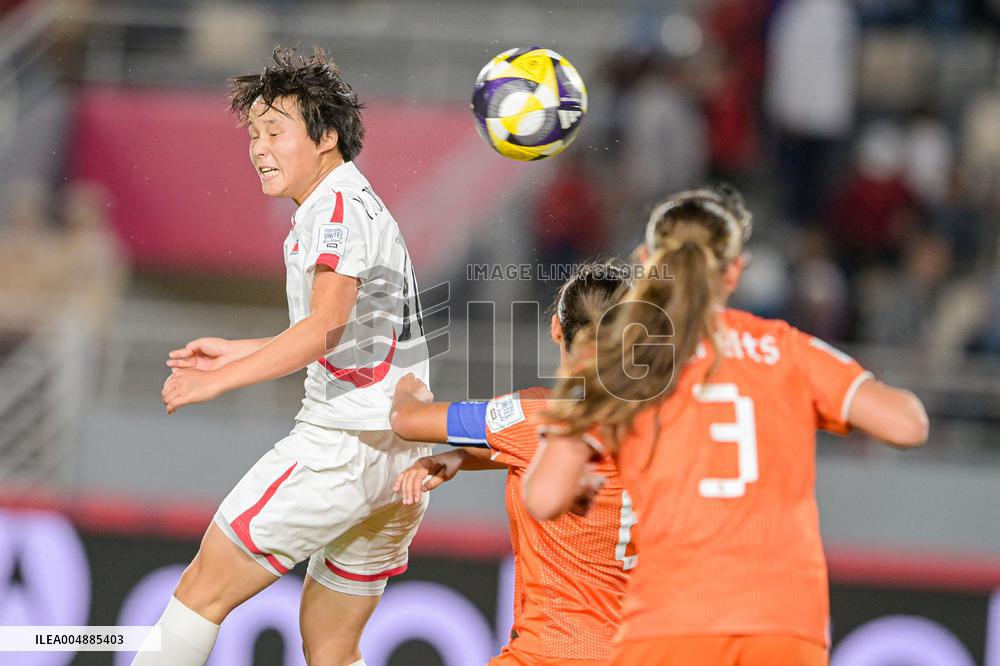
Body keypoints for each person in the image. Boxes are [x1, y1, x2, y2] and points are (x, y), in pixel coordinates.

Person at [522, 186, 929, 666]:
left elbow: (543, 496)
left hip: (668, 624)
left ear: (647, 259)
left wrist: (580, 480)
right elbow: (907, 425)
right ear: (735, 270)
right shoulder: (785, 349)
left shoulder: (624, 359)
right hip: (784, 624)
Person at [136, 47, 431, 666]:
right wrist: (239, 352)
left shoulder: (335, 210)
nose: (258, 148)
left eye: (275, 131)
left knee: (198, 594)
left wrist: (224, 381)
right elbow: (354, 336)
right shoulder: (354, 202)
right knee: (331, 647)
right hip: (398, 460)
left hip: (340, 449)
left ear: (325, 137)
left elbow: (323, 329)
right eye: (253, 133)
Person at [390, 262, 635, 666]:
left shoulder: (542, 415)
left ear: (557, 329)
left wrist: (407, 387)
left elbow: (408, 422)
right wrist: (460, 456)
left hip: (552, 652)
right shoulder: (660, 423)